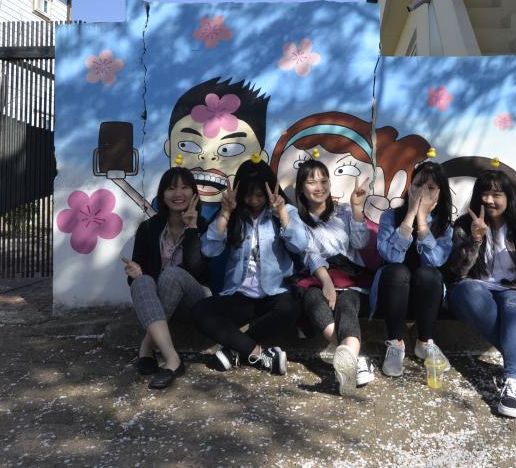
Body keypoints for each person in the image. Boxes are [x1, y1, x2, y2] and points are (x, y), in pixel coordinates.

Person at [445, 169, 516, 419]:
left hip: (510, 289)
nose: (488, 200)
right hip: (471, 289)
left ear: (508, 198)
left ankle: (512, 383)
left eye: (496, 194)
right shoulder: (464, 225)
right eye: (484, 193)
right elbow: (456, 271)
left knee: (515, 303)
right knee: (469, 290)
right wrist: (475, 240)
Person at [190, 159, 307, 375]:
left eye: (259, 195)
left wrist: (281, 213)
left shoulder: (285, 210)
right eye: (247, 195)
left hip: (275, 293)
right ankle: (260, 354)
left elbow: (300, 245)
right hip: (240, 295)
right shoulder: (233, 213)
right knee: (200, 312)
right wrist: (226, 212)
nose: (253, 201)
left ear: (269, 190)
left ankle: (234, 351)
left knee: (290, 309)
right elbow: (209, 250)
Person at [122, 167, 210, 390]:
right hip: (162, 302)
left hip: (194, 300)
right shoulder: (148, 228)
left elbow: (198, 272)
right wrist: (136, 274)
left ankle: (146, 346)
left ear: (194, 193)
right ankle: (172, 359)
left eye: (184, 187)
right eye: (171, 188)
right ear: (163, 194)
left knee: (171, 274)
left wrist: (192, 228)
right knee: (143, 281)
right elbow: (138, 278)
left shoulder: (203, 226)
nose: (178, 194)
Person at [293, 159, 374, 395]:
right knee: (313, 299)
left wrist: (357, 207)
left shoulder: (344, 212)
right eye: (311, 182)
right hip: (317, 278)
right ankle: (355, 360)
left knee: (346, 303)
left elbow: (360, 242)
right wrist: (327, 282)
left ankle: (349, 358)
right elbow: (309, 253)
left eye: (323, 180)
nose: (319, 187)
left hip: (350, 278)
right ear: (301, 188)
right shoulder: (298, 220)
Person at [374, 161, 454, 378]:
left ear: (440, 194)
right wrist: (410, 215)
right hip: (392, 296)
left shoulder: (444, 225)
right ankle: (395, 343)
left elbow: (436, 261)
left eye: (431, 188)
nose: (422, 192)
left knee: (429, 273)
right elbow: (391, 256)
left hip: (426, 300)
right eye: (418, 185)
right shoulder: (390, 217)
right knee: (397, 270)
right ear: (409, 187)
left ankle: (424, 342)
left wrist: (422, 222)